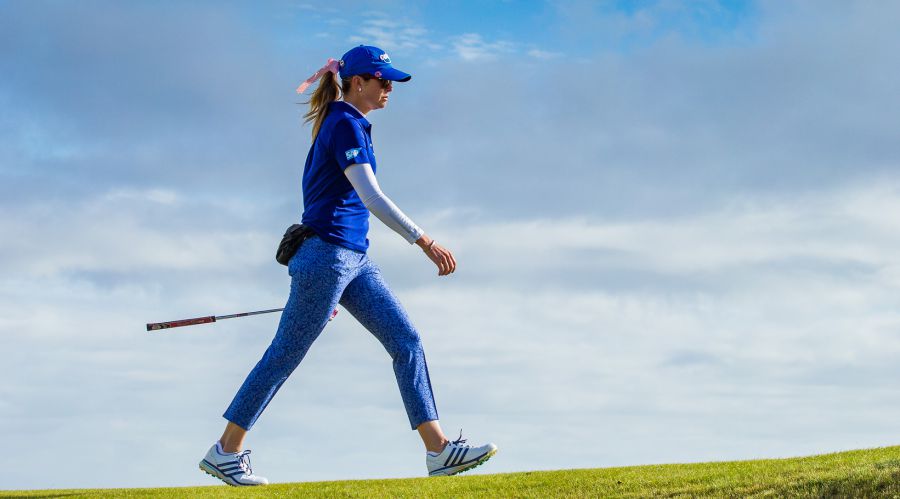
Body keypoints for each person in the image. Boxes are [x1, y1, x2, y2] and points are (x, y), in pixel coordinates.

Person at [198, 45, 497, 486]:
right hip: (328, 258)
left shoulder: (351, 122)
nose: (390, 88)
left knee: (406, 340)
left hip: (352, 261)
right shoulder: (343, 123)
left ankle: (438, 451)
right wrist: (425, 241)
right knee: (286, 354)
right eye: (383, 80)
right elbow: (371, 197)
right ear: (359, 81)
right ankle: (226, 450)